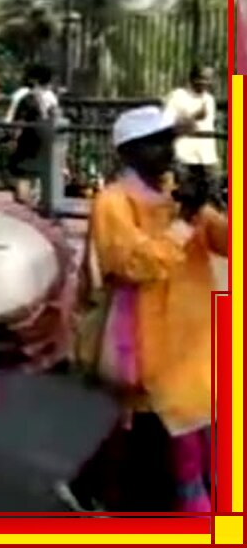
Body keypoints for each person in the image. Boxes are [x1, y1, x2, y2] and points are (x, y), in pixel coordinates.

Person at [55, 105, 225, 512]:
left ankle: (87, 487)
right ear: (128, 153)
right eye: (155, 142)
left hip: (191, 344)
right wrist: (184, 222)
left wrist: (216, 205)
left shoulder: (176, 194)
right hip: (148, 347)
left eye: (169, 139)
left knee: (139, 433)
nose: (167, 149)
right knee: (184, 447)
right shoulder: (113, 202)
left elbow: (227, 242)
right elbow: (134, 265)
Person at [163, 66, 219, 206]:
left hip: (206, 157)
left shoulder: (209, 99)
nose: (205, 82)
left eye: (209, 79)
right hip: (185, 156)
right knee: (185, 198)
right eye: (202, 78)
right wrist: (193, 116)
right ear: (192, 79)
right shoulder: (178, 96)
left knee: (207, 199)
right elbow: (166, 123)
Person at [8, 63, 59, 207]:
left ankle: (23, 205)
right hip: (46, 140)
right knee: (39, 175)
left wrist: (13, 139)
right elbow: (55, 117)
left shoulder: (26, 98)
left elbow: (19, 122)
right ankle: (37, 204)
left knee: (22, 173)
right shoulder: (51, 97)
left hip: (28, 141)